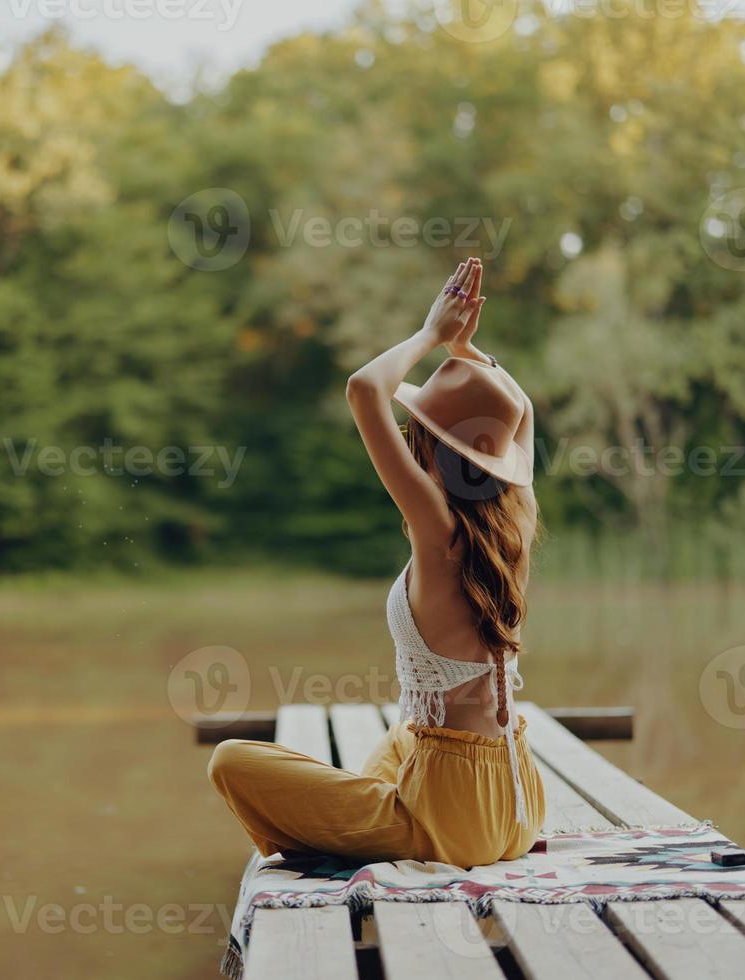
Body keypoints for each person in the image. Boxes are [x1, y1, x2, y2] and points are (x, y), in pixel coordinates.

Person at [208, 258, 547, 868]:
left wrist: (434, 337)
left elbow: (364, 389)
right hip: (517, 803)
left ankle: (378, 826)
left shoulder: (438, 530)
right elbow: (521, 410)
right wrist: (470, 353)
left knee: (229, 761)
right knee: (403, 734)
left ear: (427, 444)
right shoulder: (515, 523)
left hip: (451, 820)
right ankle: (378, 811)